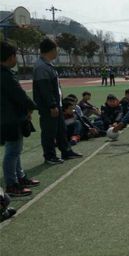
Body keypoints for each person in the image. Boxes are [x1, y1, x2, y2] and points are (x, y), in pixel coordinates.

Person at [33, 38, 82, 164]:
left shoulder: (48, 65)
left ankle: (66, 151)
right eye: (56, 50)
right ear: (51, 50)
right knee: (49, 131)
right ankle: (49, 156)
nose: (57, 52)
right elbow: (45, 89)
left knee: (61, 130)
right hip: (49, 107)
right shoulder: (41, 67)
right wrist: (52, 105)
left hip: (56, 104)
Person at [1, 41, 40, 197]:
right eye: (15, 56)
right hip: (10, 119)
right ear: (11, 57)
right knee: (12, 152)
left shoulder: (5, 74)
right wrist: (32, 106)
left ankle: (20, 177)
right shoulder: (5, 75)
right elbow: (20, 96)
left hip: (8, 118)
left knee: (15, 151)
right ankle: (11, 184)